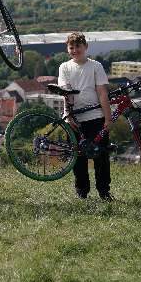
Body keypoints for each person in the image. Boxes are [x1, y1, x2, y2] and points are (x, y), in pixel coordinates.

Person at [57, 32, 114, 201]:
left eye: (78, 47)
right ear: (67, 49)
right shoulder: (64, 67)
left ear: (85, 47)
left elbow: (102, 93)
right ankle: (82, 192)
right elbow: (65, 93)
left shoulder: (96, 66)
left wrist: (108, 118)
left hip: (96, 117)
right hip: (74, 119)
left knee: (101, 156)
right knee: (78, 158)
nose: (75, 50)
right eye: (71, 47)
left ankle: (104, 192)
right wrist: (68, 116)